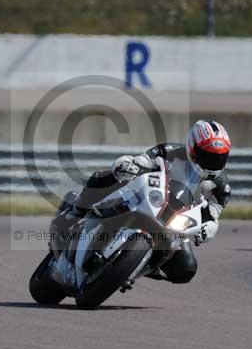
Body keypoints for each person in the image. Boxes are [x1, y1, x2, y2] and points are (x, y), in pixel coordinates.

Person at [51, 120, 232, 284]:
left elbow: (212, 215)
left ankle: (137, 265)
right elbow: (143, 160)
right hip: (149, 199)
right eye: (208, 155)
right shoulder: (169, 152)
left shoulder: (221, 188)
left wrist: (207, 228)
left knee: (186, 268)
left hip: (176, 224)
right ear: (193, 148)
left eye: (219, 157)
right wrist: (131, 164)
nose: (214, 162)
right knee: (105, 178)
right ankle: (75, 212)